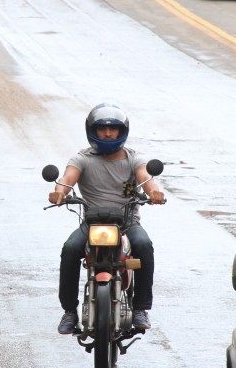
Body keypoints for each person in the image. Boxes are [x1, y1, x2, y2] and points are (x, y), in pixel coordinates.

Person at [49, 103, 166, 334]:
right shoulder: (82, 158)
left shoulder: (133, 158)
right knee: (70, 249)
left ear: (123, 132)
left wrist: (153, 192)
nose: (108, 134)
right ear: (92, 130)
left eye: (114, 129)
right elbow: (67, 178)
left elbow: (145, 177)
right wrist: (60, 192)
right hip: (92, 223)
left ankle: (141, 307)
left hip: (127, 222)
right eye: (102, 129)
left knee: (144, 245)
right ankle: (70, 311)